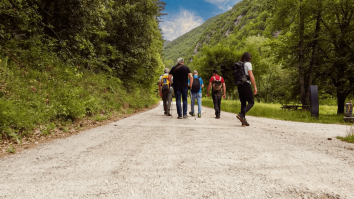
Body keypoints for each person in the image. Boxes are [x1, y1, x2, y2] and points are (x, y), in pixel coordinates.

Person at [236, 52, 258, 126]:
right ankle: (241, 115)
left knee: (243, 103)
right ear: (249, 58)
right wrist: (255, 86)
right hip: (246, 84)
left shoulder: (239, 64)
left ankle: (243, 121)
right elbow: (251, 75)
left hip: (239, 85)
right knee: (251, 102)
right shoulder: (248, 64)